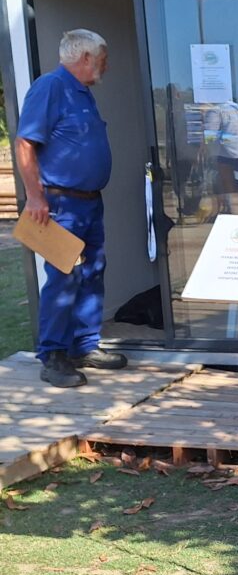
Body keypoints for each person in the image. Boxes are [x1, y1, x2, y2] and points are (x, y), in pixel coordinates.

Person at [14, 29, 127, 388]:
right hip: (61, 204)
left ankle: (84, 345)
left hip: (89, 203)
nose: (106, 66)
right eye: (103, 60)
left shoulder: (83, 93)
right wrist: (35, 197)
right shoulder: (51, 87)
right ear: (86, 57)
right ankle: (53, 356)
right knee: (64, 277)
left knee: (92, 271)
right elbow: (25, 143)